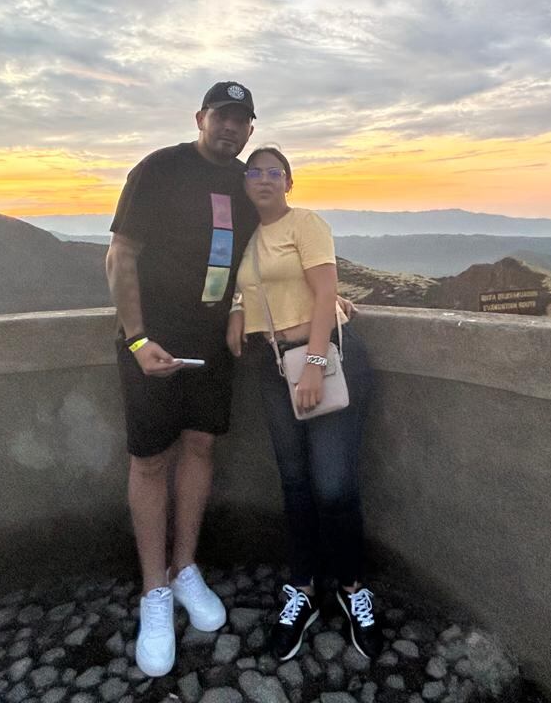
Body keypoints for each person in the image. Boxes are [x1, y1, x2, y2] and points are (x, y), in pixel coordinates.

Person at [106, 81, 260, 676]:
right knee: (149, 460)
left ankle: (185, 568)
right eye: (221, 116)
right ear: (200, 118)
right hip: (150, 343)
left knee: (199, 448)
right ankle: (154, 592)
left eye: (241, 120)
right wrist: (139, 340)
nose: (230, 127)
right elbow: (120, 255)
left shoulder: (247, 185)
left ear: (250, 128)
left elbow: (261, 258)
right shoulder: (159, 170)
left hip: (212, 346)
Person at [226, 145, 384, 662]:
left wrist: (314, 364)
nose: (265, 179)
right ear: (246, 183)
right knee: (294, 483)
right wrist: (234, 310)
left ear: (289, 183)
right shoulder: (245, 239)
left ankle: (353, 586)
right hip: (273, 369)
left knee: (334, 484)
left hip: (325, 359)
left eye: (276, 172)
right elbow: (245, 290)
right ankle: (305, 588)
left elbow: (325, 293)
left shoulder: (306, 224)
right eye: (256, 172)